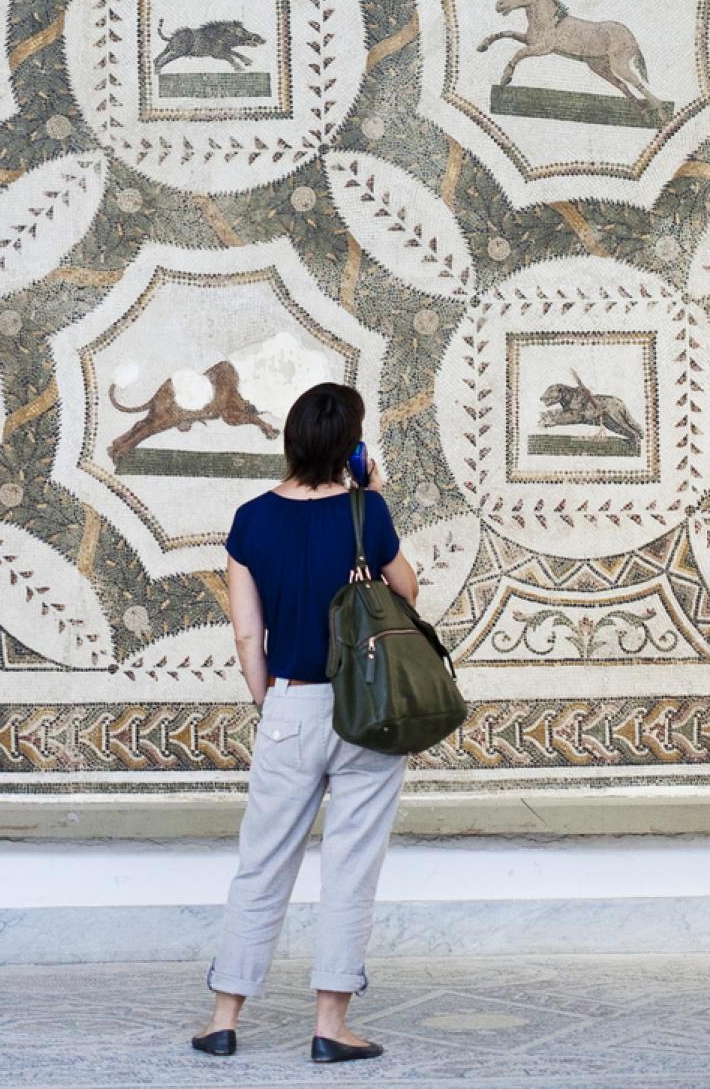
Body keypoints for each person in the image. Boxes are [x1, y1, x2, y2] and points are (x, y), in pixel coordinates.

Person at [192, 382, 419, 1066]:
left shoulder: (250, 519)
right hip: (366, 709)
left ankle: (223, 1016)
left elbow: (245, 633)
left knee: (260, 863)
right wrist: (373, 491)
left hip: (289, 704)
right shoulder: (367, 511)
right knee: (351, 866)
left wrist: (271, 701)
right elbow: (406, 590)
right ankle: (330, 1025)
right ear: (351, 446)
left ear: (290, 439)